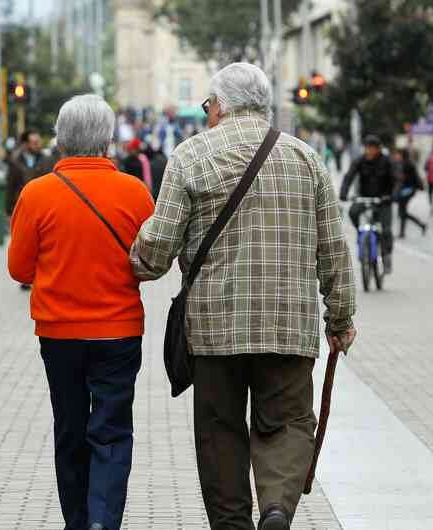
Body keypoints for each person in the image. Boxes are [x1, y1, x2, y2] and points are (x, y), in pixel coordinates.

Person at [130, 63, 357, 530]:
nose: (207, 113)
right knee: (288, 422)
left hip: (216, 327)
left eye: (207, 105)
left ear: (220, 106)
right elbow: (334, 248)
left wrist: (133, 261)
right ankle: (276, 508)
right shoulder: (306, 159)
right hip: (288, 325)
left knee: (220, 432)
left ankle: (232, 524)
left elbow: (157, 249)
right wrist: (340, 319)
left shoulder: (190, 156)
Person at [8, 94, 155, 530]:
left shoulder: (36, 194)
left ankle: (77, 521)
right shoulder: (134, 192)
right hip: (119, 331)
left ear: (60, 140)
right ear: (108, 141)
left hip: (59, 333)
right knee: (112, 429)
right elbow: (151, 261)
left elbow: (19, 268)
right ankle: (102, 521)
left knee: (70, 428)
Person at [340, 134, 396, 273]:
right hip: (364, 199)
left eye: (372, 148)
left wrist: (391, 195)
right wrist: (343, 193)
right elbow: (349, 176)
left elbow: (397, 180)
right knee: (353, 212)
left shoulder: (387, 162)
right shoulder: (360, 160)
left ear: (378, 149)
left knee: (386, 230)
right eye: (367, 148)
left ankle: (386, 255)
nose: (369, 151)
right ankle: (362, 235)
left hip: (383, 200)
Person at [6, 129, 47, 219]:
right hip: (22, 208)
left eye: (39, 142)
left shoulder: (45, 160)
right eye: (35, 143)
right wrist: (9, 211)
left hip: (41, 208)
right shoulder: (15, 161)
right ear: (25, 144)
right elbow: (11, 186)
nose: (39, 145)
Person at [392, 148, 427, 238]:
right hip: (407, 190)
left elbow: (404, 179)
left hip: (407, 190)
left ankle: (418, 226)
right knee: (402, 212)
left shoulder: (406, 164)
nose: (396, 156)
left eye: (397, 154)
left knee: (402, 212)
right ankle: (420, 225)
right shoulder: (405, 163)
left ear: (402, 155)